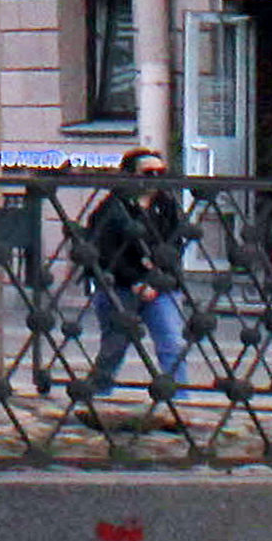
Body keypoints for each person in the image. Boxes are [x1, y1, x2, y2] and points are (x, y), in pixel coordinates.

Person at [71, 149, 193, 407]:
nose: (157, 179)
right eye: (150, 173)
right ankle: (96, 397)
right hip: (122, 287)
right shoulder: (112, 208)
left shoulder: (167, 204)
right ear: (130, 175)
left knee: (171, 341)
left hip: (160, 286)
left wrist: (157, 278)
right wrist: (136, 279)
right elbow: (105, 252)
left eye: (162, 173)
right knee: (115, 345)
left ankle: (180, 401)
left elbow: (176, 244)